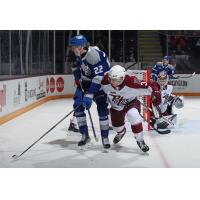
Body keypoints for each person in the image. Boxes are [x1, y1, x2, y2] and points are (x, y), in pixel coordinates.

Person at [101, 65, 161, 152]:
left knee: (134, 115)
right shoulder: (105, 81)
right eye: (111, 79)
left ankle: (140, 140)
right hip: (116, 107)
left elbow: (152, 84)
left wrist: (156, 92)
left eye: (118, 80)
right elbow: (94, 86)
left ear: (123, 77)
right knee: (116, 128)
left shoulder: (132, 82)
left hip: (131, 103)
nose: (114, 82)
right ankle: (121, 132)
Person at [70, 35, 110, 149]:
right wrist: (78, 79)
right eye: (72, 46)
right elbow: (78, 68)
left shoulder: (93, 56)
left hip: (100, 83)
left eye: (74, 46)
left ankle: (105, 137)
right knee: (77, 106)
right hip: (86, 83)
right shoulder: (78, 54)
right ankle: (84, 135)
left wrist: (89, 94)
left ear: (81, 46)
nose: (72, 49)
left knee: (102, 108)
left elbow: (99, 77)